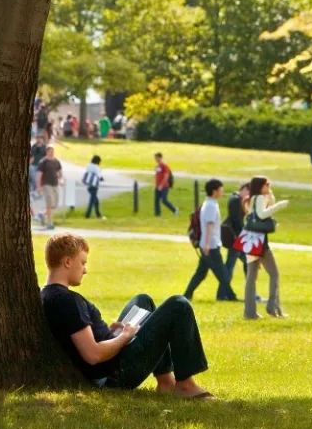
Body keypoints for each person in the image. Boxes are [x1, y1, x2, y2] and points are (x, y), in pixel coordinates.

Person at [40, 233, 213, 397]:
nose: (85, 270)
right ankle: (185, 385)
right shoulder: (66, 301)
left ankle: (166, 382)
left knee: (143, 301)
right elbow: (93, 355)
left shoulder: (48, 294)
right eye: (83, 263)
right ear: (68, 262)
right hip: (114, 374)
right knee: (178, 305)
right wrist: (124, 336)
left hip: (111, 362)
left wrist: (110, 333)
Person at [184, 179, 238, 302]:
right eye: (221, 189)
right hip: (211, 245)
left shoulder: (210, 203)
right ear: (214, 191)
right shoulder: (210, 206)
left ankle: (187, 294)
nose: (222, 191)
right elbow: (208, 225)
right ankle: (231, 296)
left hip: (208, 244)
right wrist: (207, 244)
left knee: (201, 273)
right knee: (223, 274)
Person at [243, 176, 288, 320]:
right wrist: (279, 206)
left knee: (251, 278)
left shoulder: (252, 199)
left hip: (251, 242)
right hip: (261, 243)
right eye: (267, 184)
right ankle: (273, 307)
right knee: (274, 274)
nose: (269, 186)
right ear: (260, 186)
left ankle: (250, 312)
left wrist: (270, 196)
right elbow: (262, 215)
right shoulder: (260, 198)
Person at [222, 182, 250, 285]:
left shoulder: (237, 199)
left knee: (247, 263)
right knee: (230, 265)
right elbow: (237, 220)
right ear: (245, 189)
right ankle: (223, 291)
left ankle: (251, 291)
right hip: (236, 238)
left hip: (238, 237)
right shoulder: (236, 200)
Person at [36, 146, 64, 230]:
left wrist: (61, 179)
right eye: (50, 151)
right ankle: (49, 223)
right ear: (47, 152)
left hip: (55, 184)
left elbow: (59, 172)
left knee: (54, 205)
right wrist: (38, 186)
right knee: (49, 204)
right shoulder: (43, 162)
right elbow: (38, 175)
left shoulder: (56, 161)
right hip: (46, 184)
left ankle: (42, 214)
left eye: (52, 151)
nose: (51, 153)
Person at [83, 155, 105, 220]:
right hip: (94, 185)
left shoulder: (88, 165)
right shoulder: (96, 167)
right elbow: (99, 175)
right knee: (92, 201)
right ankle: (88, 214)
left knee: (95, 201)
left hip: (89, 184)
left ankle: (97, 214)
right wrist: (102, 178)